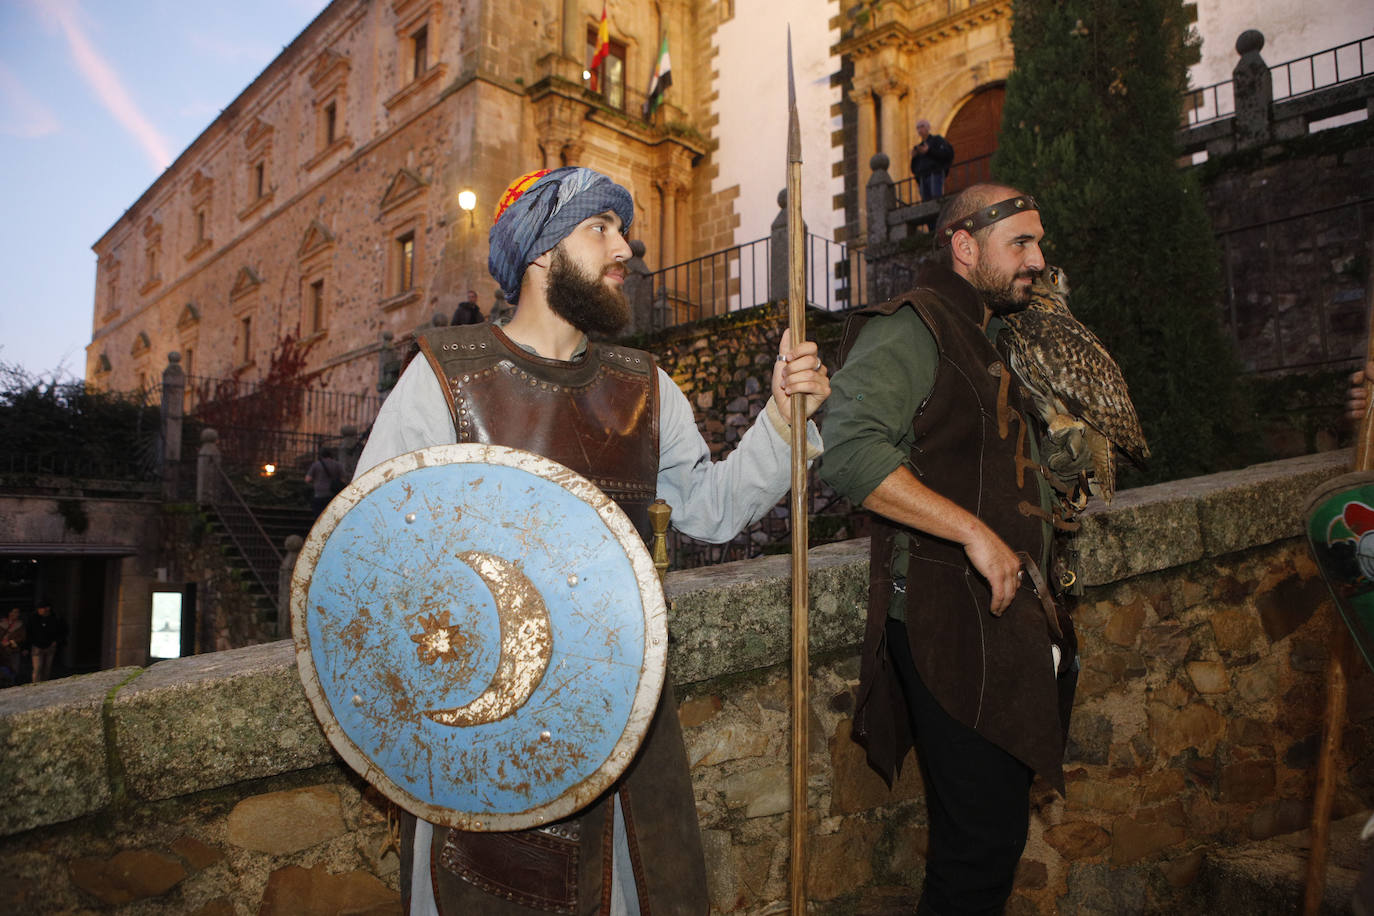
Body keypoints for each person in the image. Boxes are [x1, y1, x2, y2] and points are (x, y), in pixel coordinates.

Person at [354, 165, 830, 915]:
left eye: (623, 229)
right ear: (542, 255)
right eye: (599, 229)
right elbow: (371, 563)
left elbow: (712, 508)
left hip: (631, 729)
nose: (627, 249)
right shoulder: (443, 379)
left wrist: (782, 419)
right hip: (493, 744)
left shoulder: (644, 386)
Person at [819, 183, 1082, 915]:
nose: (1037, 259)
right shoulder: (915, 326)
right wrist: (973, 533)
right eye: (1020, 244)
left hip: (1000, 620)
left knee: (990, 844)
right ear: (965, 245)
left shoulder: (990, 334)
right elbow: (847, 453)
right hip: (945, 620)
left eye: (1038, 243)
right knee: (975, 854)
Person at [910, 118, 955, 203]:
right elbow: (913, 168)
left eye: (922, 126)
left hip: (935, 174)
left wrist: (929, 151)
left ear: (928, 127)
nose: (920, 130)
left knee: (936, 201)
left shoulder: (937, 140)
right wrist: (914, 158)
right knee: (926, 203)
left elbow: (946, 154)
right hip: (922, 178)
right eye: (918, 128)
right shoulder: (918, 148)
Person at [27, 602, 64, 683]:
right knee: (37, 668)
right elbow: (29, 632)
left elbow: (61, 630)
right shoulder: (33, 618)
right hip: (37, 646)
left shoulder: (54, 618)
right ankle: (36, 684)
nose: (41, 610)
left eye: (43, 608)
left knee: (47, 667)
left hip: (50, 645)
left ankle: (44, 683)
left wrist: (56, 641)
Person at [304, 447, 345, 516]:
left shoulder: (316, 465)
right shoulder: (337, 465)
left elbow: (307, 479)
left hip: (319, 494)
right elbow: (343, 479)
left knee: (319, 515)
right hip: (333, 494)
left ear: (321, 455)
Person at [0, 607, 25, 686]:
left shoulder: (20, 624)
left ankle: (12, 685)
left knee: (14, 669)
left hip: (14, 650)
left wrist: (11, 642)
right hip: (2, 651)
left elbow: (23, 637)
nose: (17, 614)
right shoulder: (1, 624)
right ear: (9, 613)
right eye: (15, 612)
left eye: (18, 612)